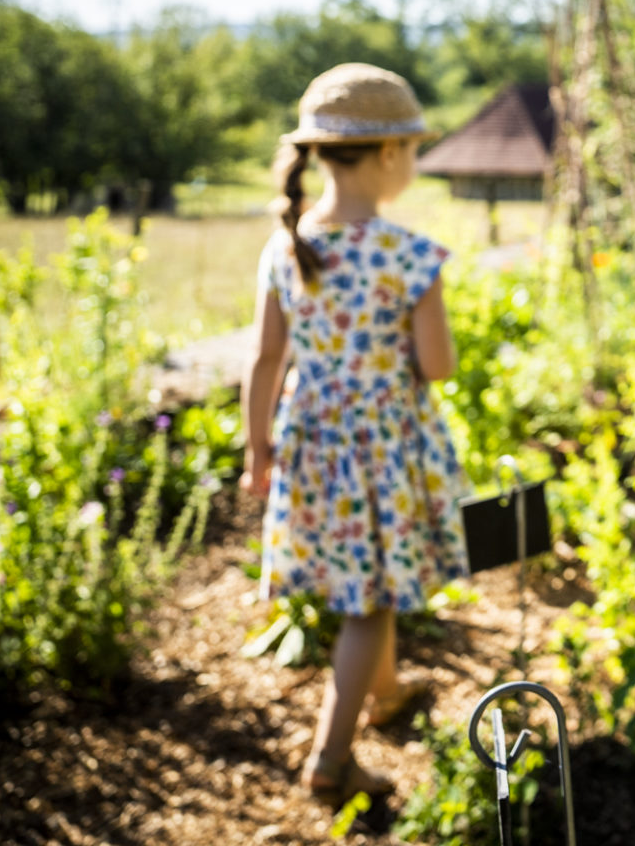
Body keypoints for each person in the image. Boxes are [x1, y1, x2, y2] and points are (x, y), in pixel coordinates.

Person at [240, 62, 471, 809]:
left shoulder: (287, 246)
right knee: (369, 605)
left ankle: (391, 693)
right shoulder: (408, 254)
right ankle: (331, 760)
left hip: (310, 444)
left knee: (367, 587)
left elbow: (264, 360)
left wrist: (258, 453)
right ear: (390, 154)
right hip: (382, 450)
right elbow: (437, 366)